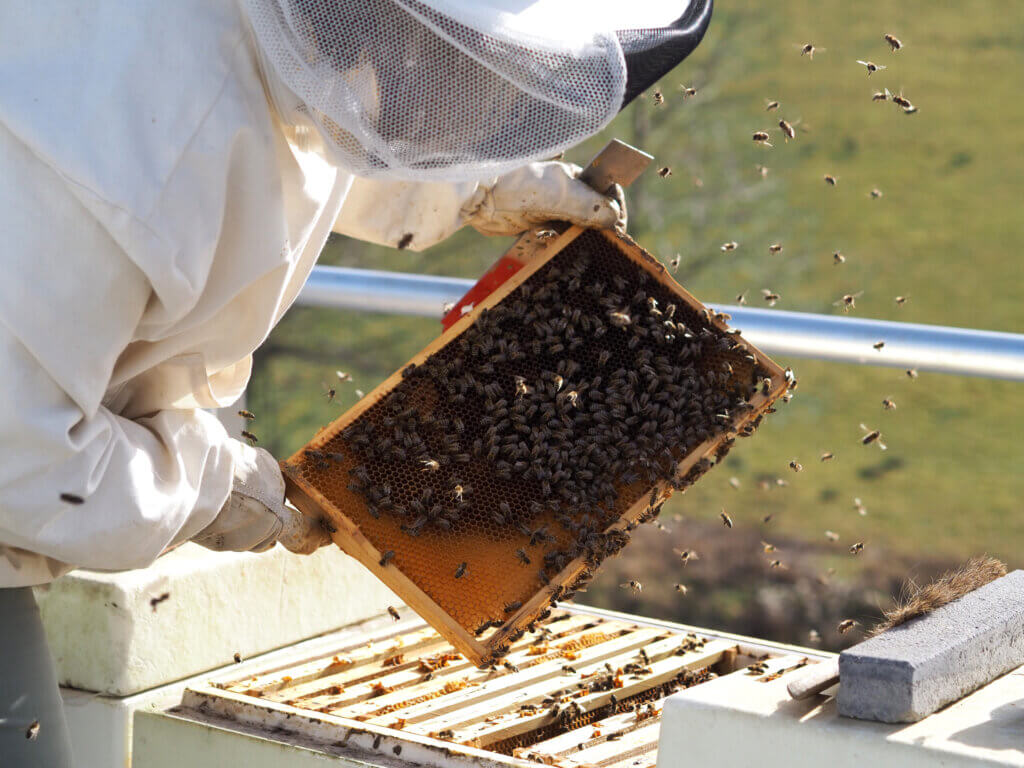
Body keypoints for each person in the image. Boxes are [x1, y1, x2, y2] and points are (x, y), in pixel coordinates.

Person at [0, 0, 710, 763]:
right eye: (497, 70)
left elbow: (293, 121)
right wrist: (216, 488)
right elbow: (20, 457)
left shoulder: (255, 39)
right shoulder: (112, 153)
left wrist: (481, 184)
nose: (510, 100)